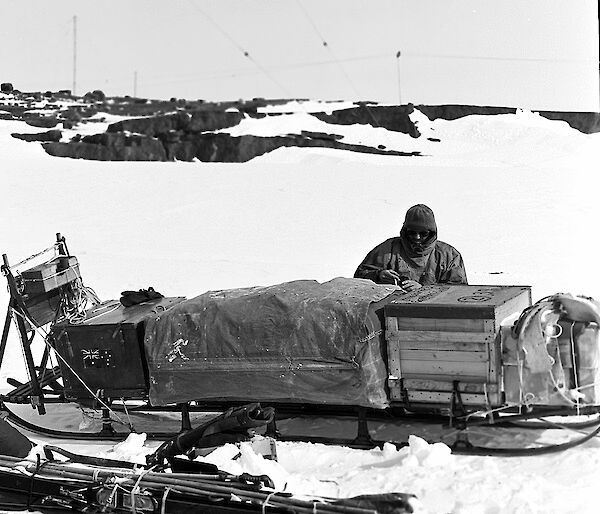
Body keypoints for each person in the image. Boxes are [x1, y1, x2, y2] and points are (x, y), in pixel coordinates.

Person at [354, 204, 467, 291]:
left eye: (423, 234)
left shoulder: (449, 255)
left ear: (432, 233)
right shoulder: (388, 250)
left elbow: (458, 291)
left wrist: (423, 290)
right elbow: (359, 278)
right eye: (412, 233)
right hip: (393, 311)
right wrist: (379, 275)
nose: (417, 238)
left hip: (436, 315)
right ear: (405, 231)